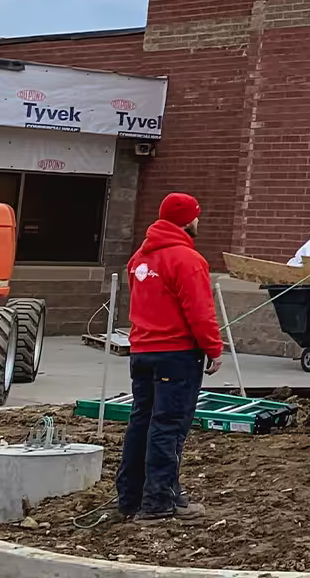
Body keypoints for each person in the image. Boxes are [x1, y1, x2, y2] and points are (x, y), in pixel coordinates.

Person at [116, 193, 223, 520]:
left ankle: (131, 498)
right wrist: (213, 349)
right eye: (197, 216)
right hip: (176, 356)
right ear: (187, 220)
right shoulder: (188, 260)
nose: (199, 221)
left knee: (142, 422)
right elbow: (200, 312)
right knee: (168, 426)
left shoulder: (140, 258)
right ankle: (158, 502)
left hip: (143, 351)